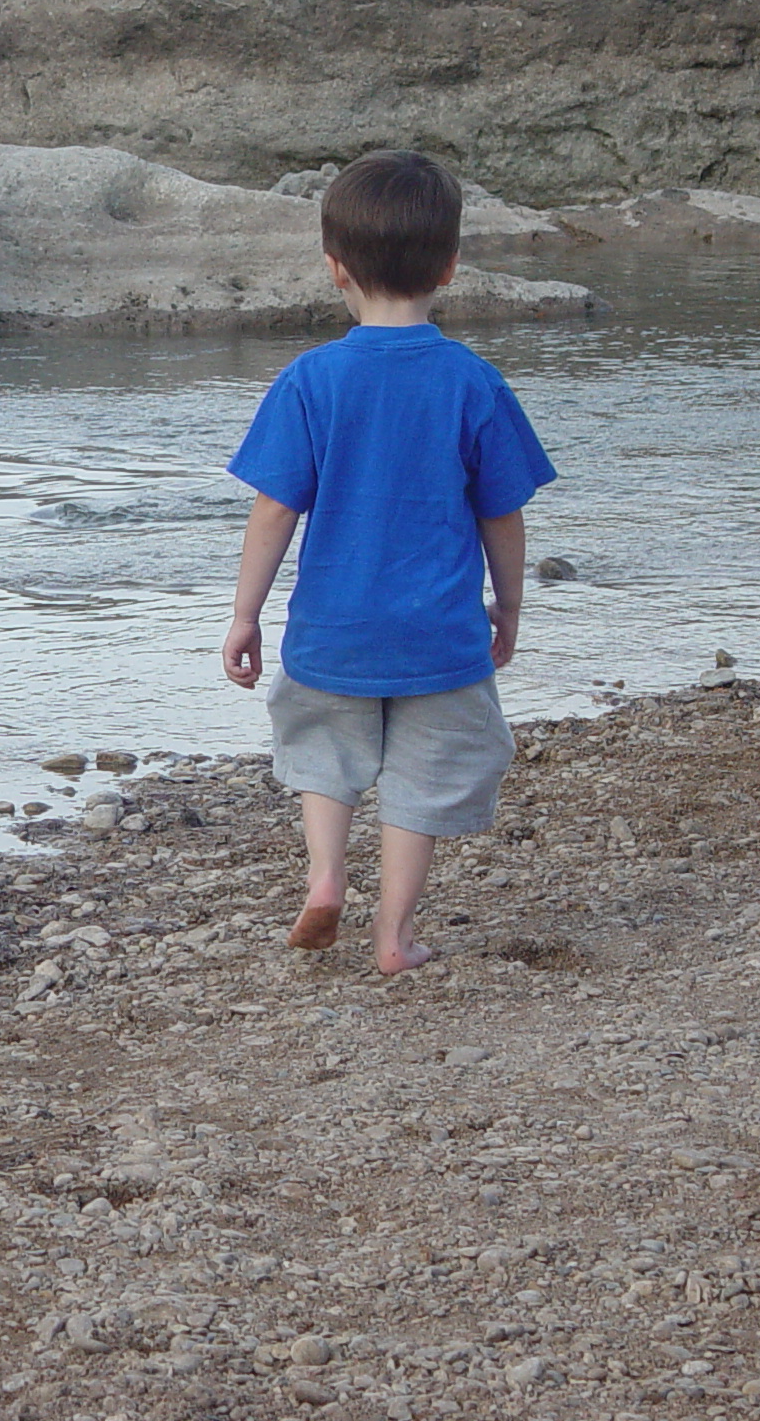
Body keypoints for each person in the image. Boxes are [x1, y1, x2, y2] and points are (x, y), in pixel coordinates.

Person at [220, 151, 555, 974]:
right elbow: (501, 514)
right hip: (439, 634)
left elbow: (274, 509)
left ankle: (327, 874)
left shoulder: (310, 381)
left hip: (332, 629)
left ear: (334, 270)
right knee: (425, 779)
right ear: (450, 266)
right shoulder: (474, 382)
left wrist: (244, 613)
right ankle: (394, 937)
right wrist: (509, 607)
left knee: (325, 760)